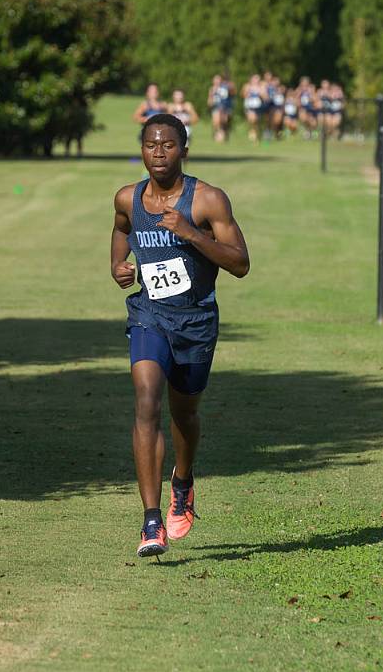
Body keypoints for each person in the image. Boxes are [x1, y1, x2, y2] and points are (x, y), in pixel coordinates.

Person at [110, 113, 250, 557]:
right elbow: (120, 228)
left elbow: (240, 263)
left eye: (168, 145)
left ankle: (183, 482)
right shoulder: (129, 198)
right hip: (149, 315)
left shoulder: (207, 200)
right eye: (151, 145)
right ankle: (151, 522)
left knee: (184, 414)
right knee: (146, 401)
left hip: (195, 322)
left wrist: (189, 232)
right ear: (142, 149)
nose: (158, 153)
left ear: (183, 150)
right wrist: (118, 266)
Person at [207, 74, 234, 143]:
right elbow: (209, 102)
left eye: (218, 79)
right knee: (216, 121)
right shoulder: (212, 89)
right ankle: (218, 134)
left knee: (224, 121)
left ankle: (224, 133)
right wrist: (212, 96)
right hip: (216, 107)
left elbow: (232, 95)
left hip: (225, 108)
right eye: (215, 79)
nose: (217, 81)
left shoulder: (226, 88)